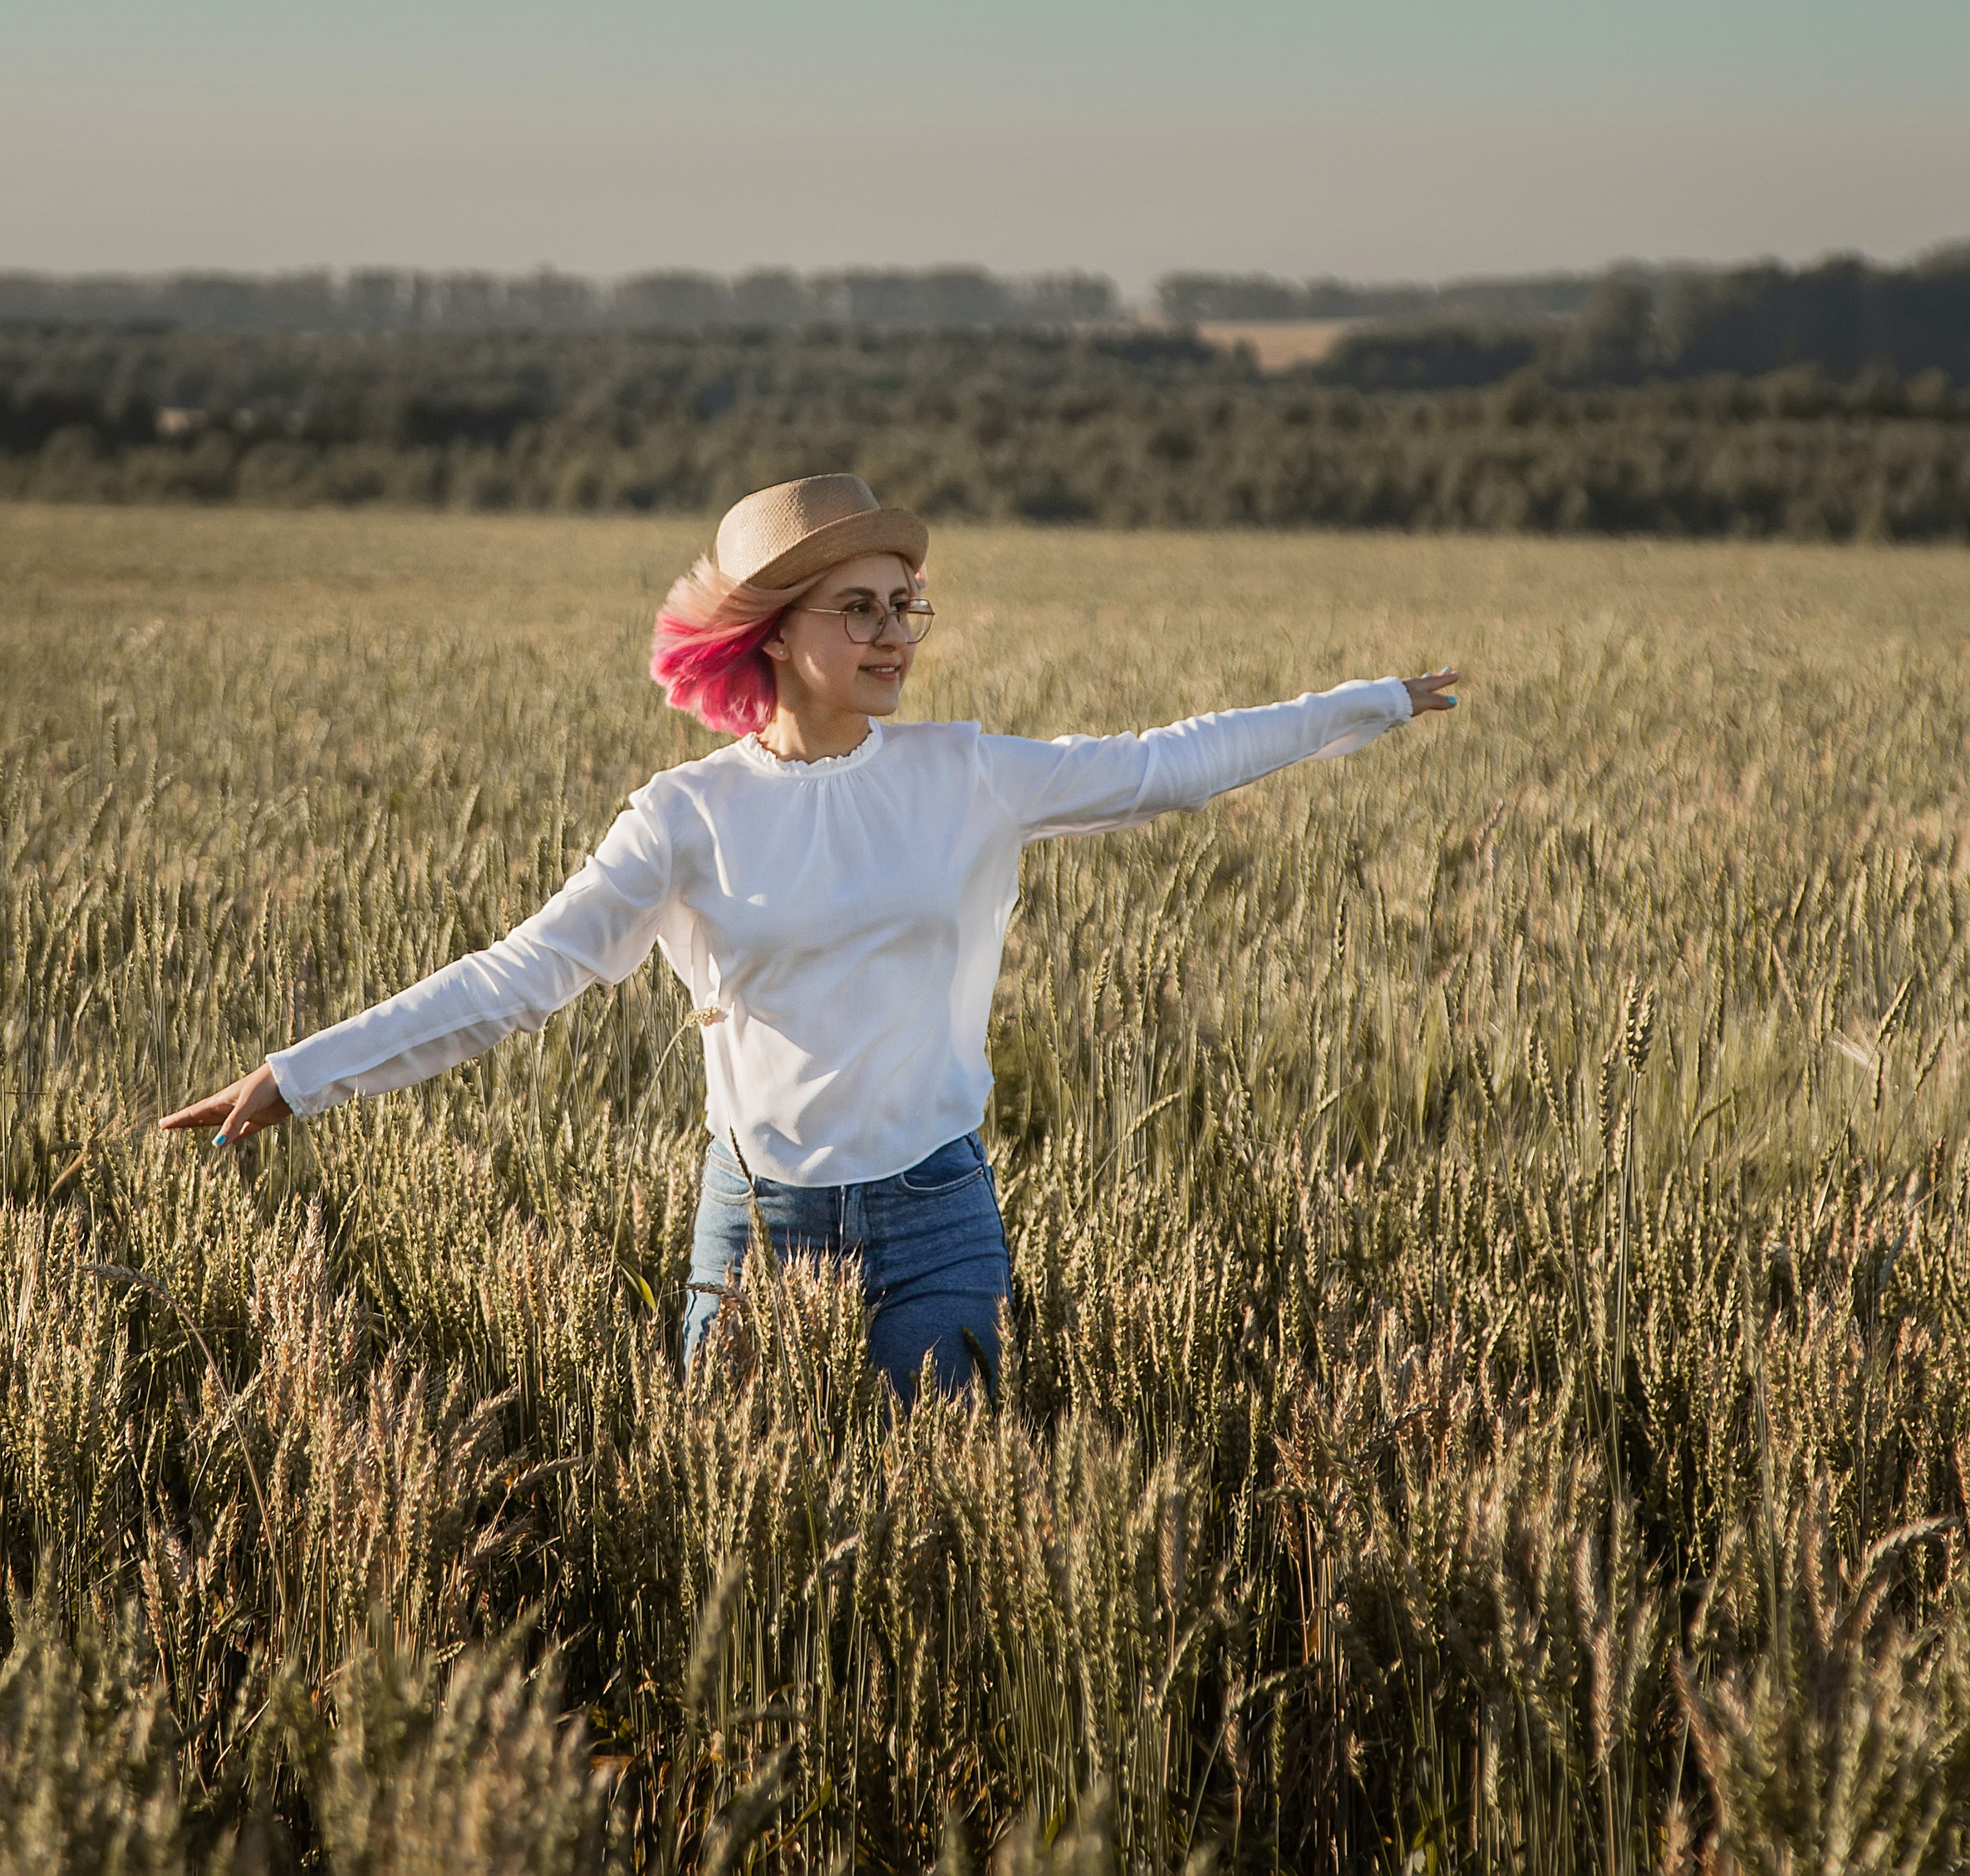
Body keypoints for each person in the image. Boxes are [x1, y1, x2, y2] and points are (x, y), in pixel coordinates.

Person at [164, 474, 1460, 1401]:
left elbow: (1168, 767)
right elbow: (525, 973)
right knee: (742, 1560)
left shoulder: (968, 774)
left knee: (944, 1563)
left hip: (940, 1215)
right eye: (862, 609)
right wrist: (304, 1073)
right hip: (759, 1229)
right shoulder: (688, 817)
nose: (897, 634)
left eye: (908, 606)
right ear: (774, 632)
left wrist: (1371, 704)